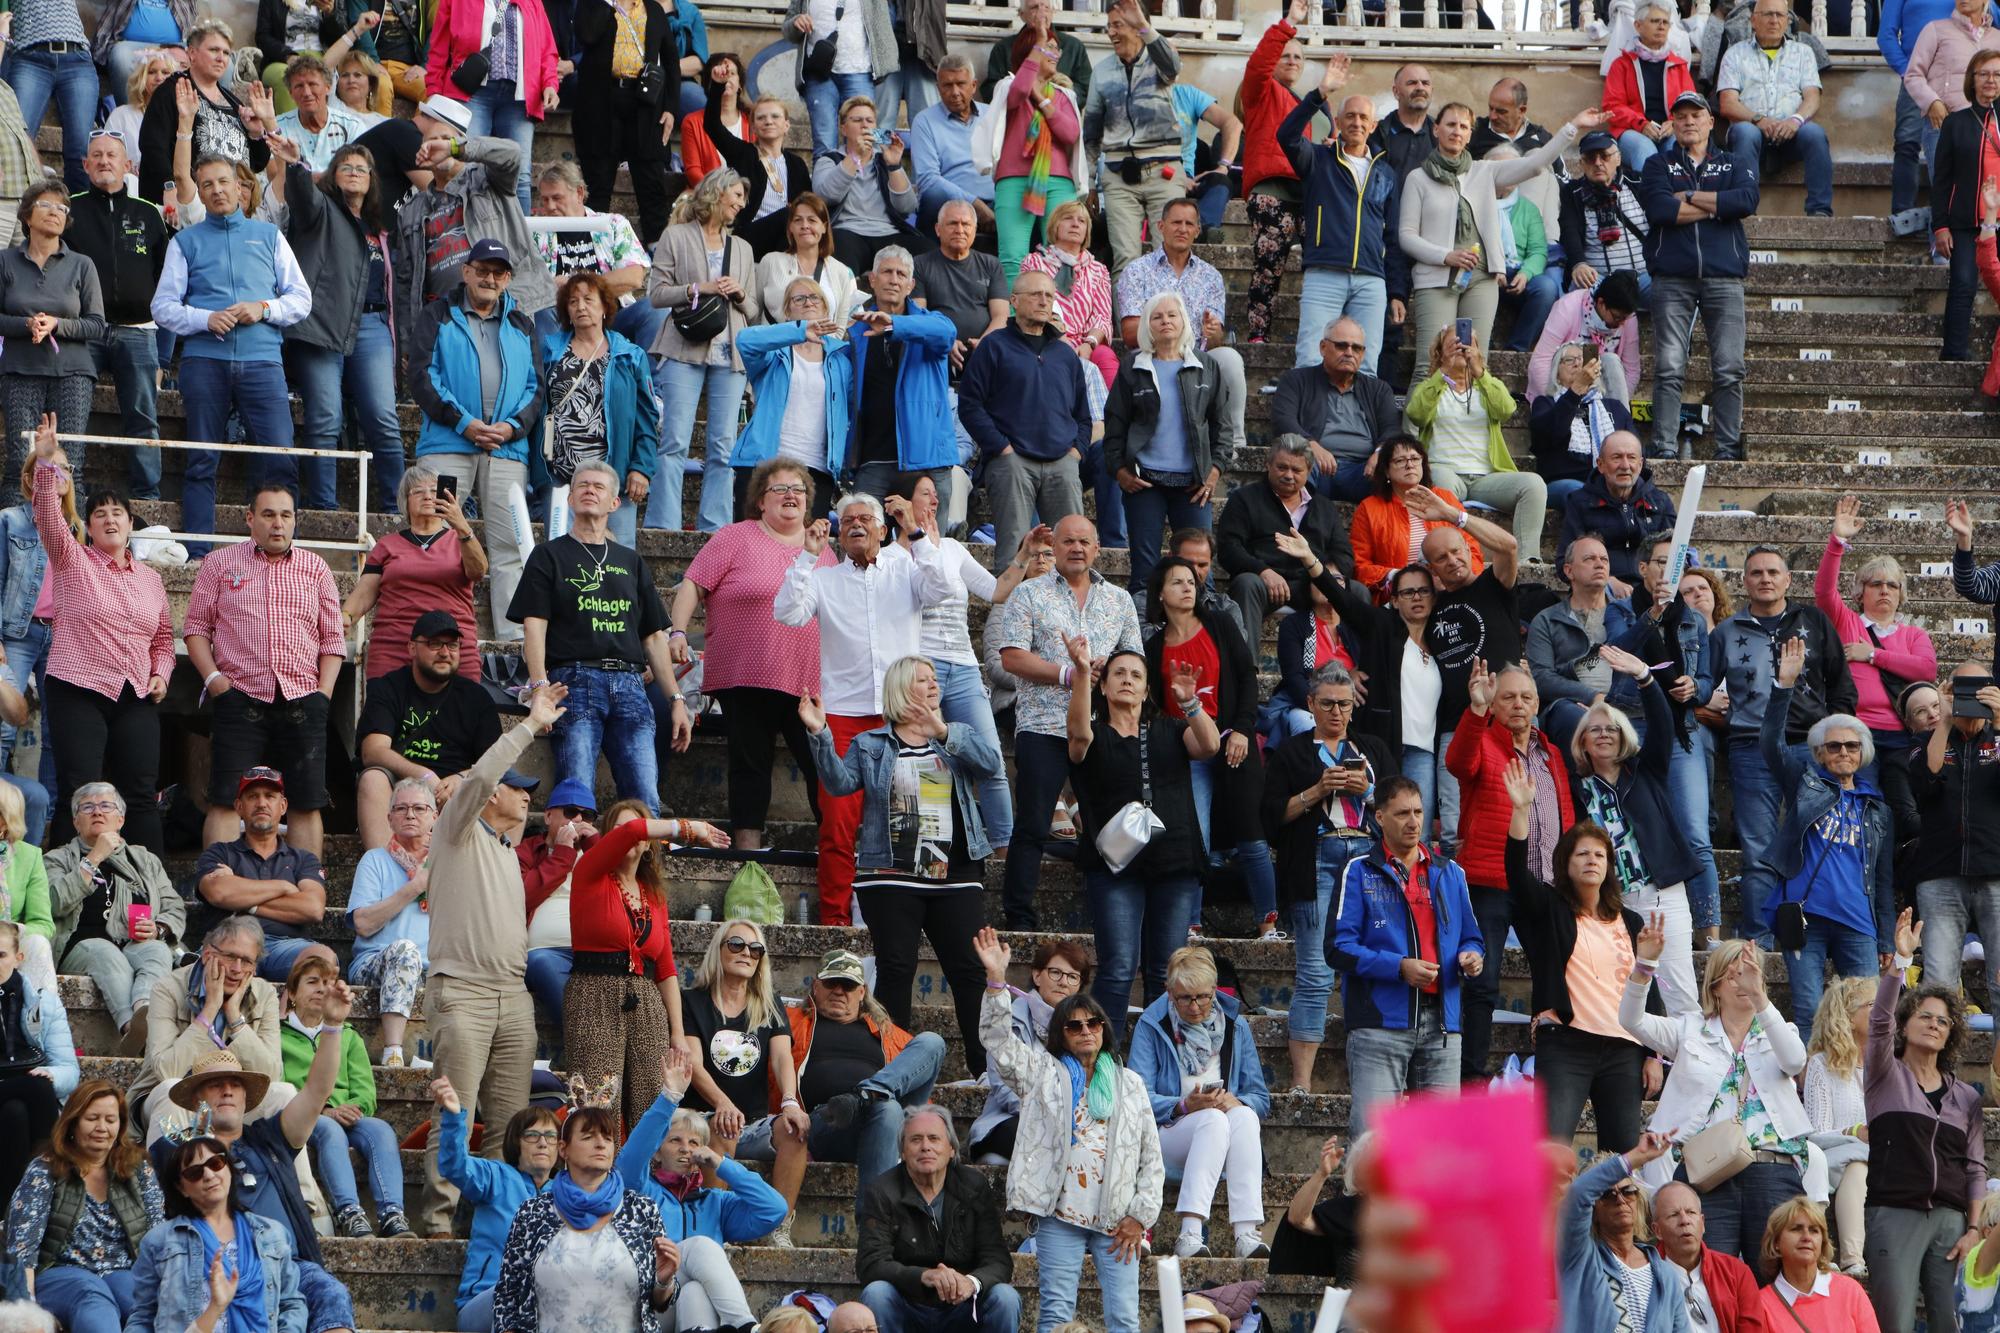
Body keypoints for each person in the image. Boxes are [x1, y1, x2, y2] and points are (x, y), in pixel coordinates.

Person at [415, 686, 569, 1236]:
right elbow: (479, 776)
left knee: (510, 1128)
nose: (526, 795)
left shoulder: (507, 853)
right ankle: (436, 1224)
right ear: (488, 797)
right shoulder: (458, 829)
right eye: (516, 788)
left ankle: (499, 1227)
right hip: (463, 990)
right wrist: (530, 725)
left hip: (513, 997)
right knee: (454, 1114)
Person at [803, 656, 999, 1067]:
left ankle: (986, 1072)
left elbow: (991, 765)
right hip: (890, 875)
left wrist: (942, 730)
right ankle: (894, 1067)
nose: (932, 685)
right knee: (896, 969)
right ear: (899, 690)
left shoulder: (956, 735)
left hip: (955, 875)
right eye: (921, 680)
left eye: (933, 680)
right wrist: (820, 732)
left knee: (968, 971)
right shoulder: (871, 743)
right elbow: (839, 784)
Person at [972, 925, 1162, 1333]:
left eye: (1092, 1023)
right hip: (1060, 1213)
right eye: (1074, 1026)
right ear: (1062, 1035)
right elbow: (998, 1041)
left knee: (1124, 1318)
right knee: (1057, 1314)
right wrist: (996, 981)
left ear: (1104, 1028)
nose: (1085, 1031)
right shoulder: (1043, 1073)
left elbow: (1151, 1157)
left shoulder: (1129, 1083)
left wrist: (1140, 1217)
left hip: (1118, 1218)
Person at [777, 494, 951, 924]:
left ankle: (915, 918)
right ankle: (835, 921)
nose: (856, 524)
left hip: (904, 717)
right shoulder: (824, 578)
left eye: (865, 519)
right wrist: (806, 556)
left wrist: (914, 529)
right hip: (842, 720)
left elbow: (943, 587)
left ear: (881, 528)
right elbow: (787, 613)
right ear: (839, 533)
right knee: (837, 827)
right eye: (847, 520)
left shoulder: (907, 567)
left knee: (918, 825)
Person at [20, 421, 168, 856]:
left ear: (129, 523)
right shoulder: (72, 558)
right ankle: (67, 893)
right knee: (80, 791)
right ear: (89, 523)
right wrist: (46, 462)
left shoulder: (151, 580)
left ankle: (152, 895)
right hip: (77, 689)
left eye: (117, 512)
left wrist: (161, 672)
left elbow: (162, 638)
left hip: (135, 692)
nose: (109, 519)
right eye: (99, 513)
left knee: (140, 794)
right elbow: (47, 516)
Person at [149, 153, 309, 552]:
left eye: (224, 182)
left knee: (278, 458)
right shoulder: (185, 241)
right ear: (199, 193)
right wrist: (205, 319)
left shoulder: (269, 235)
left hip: (263, 361)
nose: (217, 190)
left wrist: (264, 308)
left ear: (241, 187)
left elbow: (301, 299)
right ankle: (201, 552)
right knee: (202, 458)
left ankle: (278, 550)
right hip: (205, 362)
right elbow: (162, 307)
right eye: (207, 185)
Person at [669, 459, 830, 854]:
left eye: (799, 490)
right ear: (760, 500)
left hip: (806, 680)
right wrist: (676, 630)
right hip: (745, 673)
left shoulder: (824, 552)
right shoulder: (734, 537)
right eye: (780, 489)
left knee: (820, 768)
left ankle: (835, 849)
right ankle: (747, 853)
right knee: (749, 765)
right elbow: (693, 584)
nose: (791, 495)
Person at [1621, 936, 1811, 1270]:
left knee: (1772, 1277)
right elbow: (1632, 1021)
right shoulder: (1689, 1029)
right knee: (1712, 1278)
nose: (1744, 982)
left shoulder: (1779, 1027)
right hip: (1706, 1172)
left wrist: (1761, 1000)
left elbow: (1795, 1062)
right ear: (1716, 986)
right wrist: (1644, 966)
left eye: (1751, 974)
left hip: (1771, 1168)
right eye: (1734, 975)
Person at [989, 515, 1141, 930]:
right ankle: (1019, 917)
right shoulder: (1028, 594)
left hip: (1101, 727)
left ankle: (1111, 915)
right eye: (1068, 541)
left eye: (1084, 542)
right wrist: (1068, 673)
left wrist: (1107, 669)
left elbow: (1134, 660)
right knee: (1034, 823)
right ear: (1053, 547)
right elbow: (1011, 656)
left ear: (1097, 549)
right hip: (1043, 724)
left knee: (1108, 824)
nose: (1076, 548)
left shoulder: (1120, 600)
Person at [1500, 754, 1655, 1150]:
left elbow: (1648, 987)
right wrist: (1520, 811)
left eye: (1600, 854)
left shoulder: (1632, 922)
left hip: (1624, 1049)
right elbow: (1517, 876)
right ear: (1565, 864)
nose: (1592, 860)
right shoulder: (1551, 910)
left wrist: (1656, 1054)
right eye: (1582, 854)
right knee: (1550, 1153)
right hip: (1566, 1043)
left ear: (1609, 866)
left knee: (1621, 1163)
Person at [1704, 545, 1858, 940]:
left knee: (1820, 841)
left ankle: (1817, 928)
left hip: (1811, 746)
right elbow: (1704, 685)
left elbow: (1841, 684)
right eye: (1756, 573)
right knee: (1759, 848)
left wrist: (1833, 735)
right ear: (1744, 582)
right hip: (1751, 747)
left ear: (1788, 579)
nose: (1765, 579)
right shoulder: (1726, 632)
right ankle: (1760, 938)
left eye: (1773, 572)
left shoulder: (1814, 621)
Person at [1065, 644, 1217, 1033]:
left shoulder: (1169, 728)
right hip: (1115, 866)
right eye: (1119, 674)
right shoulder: (1094, 733)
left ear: (1148, 689)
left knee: (1166, 969)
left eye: (1136, 675)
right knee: (1118, 966)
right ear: (1104, 686)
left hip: (1174, 860)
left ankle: (1156, 1060)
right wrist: (1083, 671)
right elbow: (1077, 736)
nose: (1128, 680)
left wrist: (1190, 704)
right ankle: (1101, 1060)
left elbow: (1209, 746)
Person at [184, 485, 344, 853]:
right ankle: (217, 886)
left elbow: (332, 640)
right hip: (239, 697)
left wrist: (323, 695)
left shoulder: (315, 567)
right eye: (269, 515)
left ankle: (306, 892)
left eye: (286, 515)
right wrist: (215, 682)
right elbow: (195, 629)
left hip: (304, 699)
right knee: (225, 798)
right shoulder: (220, 563)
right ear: (249, 518)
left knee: (306, 800)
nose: (278, 524)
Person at [1264, 664, 1398, 1091]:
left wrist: (1370, 794)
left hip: (1368, 860)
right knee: (1316, 974)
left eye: (1344, 704)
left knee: (1376, 966)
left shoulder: (1373, 747)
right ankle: (1301, 1085)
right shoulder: (1292, 752)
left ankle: (1381, 1081)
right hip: (1315, 858)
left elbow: (1403, 814)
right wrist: (1317, 791)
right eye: (1327, 704)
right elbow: (1270, 820)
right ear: (1310, 705)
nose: (1337, 712)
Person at [1399, 103, 1600, 384]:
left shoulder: (1485, 172)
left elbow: (1535, 164)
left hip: (1481, 278)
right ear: (1436, 129)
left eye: (1463, 126)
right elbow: (1406, 236)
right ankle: (1414, 429)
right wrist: (1446, 256)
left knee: (1474, 364)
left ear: (1470, 135)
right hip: (1437, 278)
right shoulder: (1418, 179)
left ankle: (1472, 428)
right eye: (1450, 124)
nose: (1457, 131)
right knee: (1430, 365)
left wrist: (1573, 127)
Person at [406, 238, 543, 641]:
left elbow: (536, 389)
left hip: (506, 452)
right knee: (433, 535)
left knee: (509, 547)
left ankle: (513, 644)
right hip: (448, 447)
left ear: (508, 279)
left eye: (498, 272)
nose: (489, 278)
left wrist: (512, 427)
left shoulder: (523, 323)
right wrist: (463, 422)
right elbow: (421, 377)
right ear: (465, 272)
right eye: (481, 269)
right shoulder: (437, 315)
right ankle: (432, 634)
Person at [1448, 661, 1575, 1083]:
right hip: (1491, 882)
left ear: (1538, 702)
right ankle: (1471, 1074)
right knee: (1483, 981)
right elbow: (1457, 762)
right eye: (1507, 697)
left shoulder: (1552, 751)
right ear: (1495, 703)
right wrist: (1475, 709)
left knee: (1552, 980)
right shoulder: (1481, 741)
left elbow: (1564, 815)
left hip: (1544, 882)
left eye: (1525, 697)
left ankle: (1550, 1066)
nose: (1518, 704)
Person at [563, 804, 725, 1132]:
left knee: (652, 1100)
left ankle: (645, 1182)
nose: (634, 833)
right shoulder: (590, 872)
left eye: (641, 828)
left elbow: (665, 968)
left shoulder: (653, 895)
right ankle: (596, 1182)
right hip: (594, 994)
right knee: (596, 1102)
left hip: (646, 999)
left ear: (649, 846)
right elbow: (631, 832)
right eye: (624, 829)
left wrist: (677, 1033)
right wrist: (688, 827)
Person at [262, 133, 403, 508]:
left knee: (384, 422)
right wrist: (295, 165)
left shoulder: (381, 229)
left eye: (362, 169)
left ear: (372, 180)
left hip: (373, 328)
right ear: (333, 175)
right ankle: (324, 506)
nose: (355, 173)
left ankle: (395, 507)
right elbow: (302, 197)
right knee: (326, 418)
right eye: (346, 167)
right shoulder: (320, 209)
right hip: (322, 325)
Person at [1762, 640, 1895, 1038]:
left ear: (1862, 753)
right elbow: (1770, 745)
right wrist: (1783, 687)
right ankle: (1806, 1097)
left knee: (1867, 1020)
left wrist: (1885, 935)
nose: (1842, 751)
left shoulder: (1878, 809)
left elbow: (1884, 880)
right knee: (1808, 1012)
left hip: (1859, 923)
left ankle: (1862, 1097)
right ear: (1819, 755)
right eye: (1832, 746)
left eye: (1851, 745)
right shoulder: (1804, 785)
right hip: (1806, 917)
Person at [1867, 910, 1986, 1332]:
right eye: (1925, 1016)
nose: (1934, 1024)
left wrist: (1973, 1228)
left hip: (1951, 1222)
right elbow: (1878, 1022)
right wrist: (1900, 965)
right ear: (1906, 1025)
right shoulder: (1884, 1075)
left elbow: (1975, 1168)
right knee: (1894, 1324)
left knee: (1948, 1325)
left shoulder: (1966, 1097)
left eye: (1943, 1020)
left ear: (1951, 1033)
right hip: (1893, 1213)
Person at [1567, 656, 1703, 1016]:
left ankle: (1686, 1071)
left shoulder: (1646, 771)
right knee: (1625, 996)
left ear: (1624, 735)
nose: (1604, 734)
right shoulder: (1576, 789)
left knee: (1680, 995)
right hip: (1611, 903)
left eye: (1611, 728)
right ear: (1582, 742)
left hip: (1661, 896)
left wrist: (1645, 676)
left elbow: (1662, 724)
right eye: (1594, 729)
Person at [1144, 556, 1272, 933]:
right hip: (1188, 753)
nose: (1188, 587)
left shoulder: (1219, 623)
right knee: (1193, 836)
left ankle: (1268, 923)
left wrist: (1246, 730)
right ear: (1161, 594)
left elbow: (1248, 680)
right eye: (1178, 582)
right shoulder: (1153, 648)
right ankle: (1192, 923)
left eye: (1191, 581)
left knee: (1251, 836)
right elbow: (1153, 710)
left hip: (1234, 740)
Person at [1125, 945, 1272, 1261]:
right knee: (1212, 1120)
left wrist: (1236, 1101)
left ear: (1215, 990)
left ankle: (1247, 1233)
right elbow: (1135, 1096)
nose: (1195, 1006)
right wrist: (1183, 1106)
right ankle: (1190, 1234)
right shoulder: (1152, 1025)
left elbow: (1260, 1099)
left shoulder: (1236, 1026)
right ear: (1169, 991)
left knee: (1244, 1117)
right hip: (1165, 1136)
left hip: (1220, 1144)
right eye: (1184, 998)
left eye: (1204, 997)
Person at [776, 948, 948, 1215]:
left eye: (848, 985)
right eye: (832, 983)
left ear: (862, 992)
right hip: (824, 1122)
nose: (839, 991)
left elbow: (919, 1088)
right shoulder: (791, 1021)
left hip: (884, 1126)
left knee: (933, 1042)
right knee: (887, 1107)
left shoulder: (889, 1034)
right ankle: (876, 1228)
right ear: (816, 987)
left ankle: (866, 1095)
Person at [616, 1052, 781, 1322]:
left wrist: (721, 1164)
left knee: (694, 1291)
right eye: (675, 1141)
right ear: (657, 1153)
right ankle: (743, 1324)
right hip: (649, 1306)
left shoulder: (715, 1202)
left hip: (688, 1305)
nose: (685, 1149)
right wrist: (669, 1097)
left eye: (694, 1143)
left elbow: (774, 1209)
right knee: (701, 1246)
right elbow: (630, 1161)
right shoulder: (642, 1191)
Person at [489, 1105, 682, 1333]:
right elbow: (507, 1293)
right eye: (588, 1136)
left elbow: (660, 1304)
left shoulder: (642, 1209)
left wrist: (664, 1281)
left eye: (608, 1138)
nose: (601, 1144)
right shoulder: (533, 1212)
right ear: (563, 1149)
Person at [1638, 92, 1757, 461]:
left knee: (1729, 368)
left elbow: (1746, 201)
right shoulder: (1657, 164)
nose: (1689, 121)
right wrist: (1716, 206)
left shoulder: (1734, 161)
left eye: (1696, 115)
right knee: (1669, 366)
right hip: (1672, 276)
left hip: (1724, 276)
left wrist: (1689, 196)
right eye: (1681, 116)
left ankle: (1727, 447)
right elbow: (1660, 210)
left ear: (1710, 122)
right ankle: (1663, 447)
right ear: (1672, 123)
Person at [676, 921, 810, 1241]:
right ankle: (709, 1227)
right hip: (702, 1117)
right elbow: (692, 1062)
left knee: (796, 1131)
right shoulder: (691, 1001)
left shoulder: (769, 1003)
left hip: (753, 1122)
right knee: (724, 1123)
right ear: (718, 950)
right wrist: (722, 1103)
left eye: (755, 949)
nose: (746, 953)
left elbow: (781, 1058)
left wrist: (790, 1102)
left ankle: (778, 1227)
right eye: (736, 944)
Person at [646, 168, 762, 535]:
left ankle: (714, 526)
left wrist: (740, 294)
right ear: (716, 194)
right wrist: (701, 287)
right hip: (684, 348)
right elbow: (656, 294)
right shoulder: (676, 236)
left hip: (730, 355)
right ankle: (663, 524)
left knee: (724, 447)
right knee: (675, 440)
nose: (741, 205)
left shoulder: (742, 247)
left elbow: (754, 309)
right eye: (737, 196)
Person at [391, 97, 556, 348]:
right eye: (431, 143)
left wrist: (456, 148)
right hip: (449, 322)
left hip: (513, 307)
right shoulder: (411, 211)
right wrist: (407, 342)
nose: (439, 146)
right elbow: (405, 284)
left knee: (534, 383)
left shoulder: (488, 179)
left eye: (446, 139)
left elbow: (511, 153)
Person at [960, 269, 1094, 571]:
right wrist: (1001, 448)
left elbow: (1083, 415)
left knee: (1072, 552)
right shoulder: (994, 346)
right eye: (1035, 294)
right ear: (1014, 301)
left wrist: (1076, 452)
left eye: (1049, 295)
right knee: (1015, 552)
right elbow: (970, 405)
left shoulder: (1065, 354)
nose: (1043, 301)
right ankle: (1010, 616)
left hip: (1062, 461)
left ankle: (1071, 616)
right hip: (1012, 461)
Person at [4, 1081, 164, 1333]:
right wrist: (27, 1308)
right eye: (92, 1118)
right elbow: (22, 1250)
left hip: (122, 1270)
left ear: (120, 1126)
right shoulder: (44, 1169)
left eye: (110, 1120)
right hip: (59, 1273)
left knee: (142, 1302)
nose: (102, 1127)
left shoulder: (138, 1169)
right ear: (73, 1122)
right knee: (92, 1296)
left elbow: (157, 1235)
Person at [65, 130, 167, 501]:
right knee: (72, 415)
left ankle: (147, 495)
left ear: (129, 165)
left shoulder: (149, 213)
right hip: (83, 330)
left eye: (112, 155)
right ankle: (66, 491)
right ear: (85, 165)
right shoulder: (70, 210)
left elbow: (165, 281)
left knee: (143, 418)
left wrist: (165, 353)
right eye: (97, 155)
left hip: (139, 331)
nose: (104, 161)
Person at [278, 951, 408, 1240]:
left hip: (349, 1116)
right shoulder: (277, 1036)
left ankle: (392, 1215)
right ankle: (350, 1214)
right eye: (312, 982)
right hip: (307, 1117)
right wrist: (324, 1111)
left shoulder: (348, 1035)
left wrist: (351, 1108)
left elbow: (365, 1091)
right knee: (329, 1130)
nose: (322, 989)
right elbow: (280, 1086)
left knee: (381, 1129)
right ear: (291, 993)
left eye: (328, 982)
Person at [1104, 293, 1226, 599]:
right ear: (1147, 324)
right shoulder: (1133, 365)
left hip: (1193, 483)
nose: (1165, 321)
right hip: (1144, 481)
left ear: (1184, 320)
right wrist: (1119, 470)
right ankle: (1141, 640)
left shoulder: (1206, 365)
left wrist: (1213, 473)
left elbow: (1223, 427)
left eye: (1172, 315)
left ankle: (1202, 639)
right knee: (1144, 573)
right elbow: (1115, 423)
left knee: (1198, 571)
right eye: (1157, 317)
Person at [856, 1104, 1018, 1333]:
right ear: (902, 1150)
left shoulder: (973, 1186)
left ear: (951, 1149)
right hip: (908, 1304)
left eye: (934, 1139)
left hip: (963, 1306)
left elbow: (998, 1259)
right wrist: (925, 1276)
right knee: (877, 1293)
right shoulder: (882, 1191)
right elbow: (870, 1264)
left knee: (1006, 1297)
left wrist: (970, 1282)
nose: (925, 1147)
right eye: (915, 1140)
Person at [42, 785, 178, 1050]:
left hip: (135, 943)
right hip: (81, 946)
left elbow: (173, 906)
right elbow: (54, 902)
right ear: (75, 821)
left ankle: (145, 1013)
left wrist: (158, 928)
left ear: (121, 820)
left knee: (158, 952)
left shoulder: (145, 860)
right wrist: (94, 857)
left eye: (106, 806)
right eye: (87, 807)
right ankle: (131, 1031)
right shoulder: (57, 859)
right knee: (105, 952)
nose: (97, 812)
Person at [127, 1135, 309, 1333]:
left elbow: (291, 1303)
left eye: (215, 1163)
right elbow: (143, 1316)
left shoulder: (272, 1234)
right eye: (195, 1172)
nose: (208, 1175)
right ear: (181, 1188)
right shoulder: (159, 1241)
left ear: (229, 1169)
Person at [1112, 200, 1247, 464]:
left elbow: (1216, 338)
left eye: (1189, 224)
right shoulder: (1136, 271)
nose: (1182, 229)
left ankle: (1234, 443)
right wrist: (1168, 337)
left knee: (1230, 359)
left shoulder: (1211, 276)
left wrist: (1213, 331)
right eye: (1176, 222)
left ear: (1198, 230)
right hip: (1153, 354)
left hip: (1197, 357)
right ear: (1161, 226)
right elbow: (1129, 333)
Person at [352, 611, 500, 846]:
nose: (444, 652)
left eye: (452, 645)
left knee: (508, 790)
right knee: (372, 779)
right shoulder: (388, 688)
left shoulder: (476, 698)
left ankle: (498, 878)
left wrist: (462, 778)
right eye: (434, 643)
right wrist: (425, 776)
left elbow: (497, 761)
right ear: (412, 647)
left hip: (457, 790)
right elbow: (373, 751)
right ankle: (385, 873)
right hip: (401, 785)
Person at [1404, 324, 1546, 562]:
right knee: (1440, 482)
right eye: (1454, 343)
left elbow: (1506, 409)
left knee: (1534, 484)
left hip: (1486, 478)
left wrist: (1481, 373)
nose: (1462, 348)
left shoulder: (1487, 386)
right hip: (1445, 469)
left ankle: (1527, 561)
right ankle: (1453, 556)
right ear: (1440, 352)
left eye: (1469, 343)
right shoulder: (1430, 387)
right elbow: (1416, 413)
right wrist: (1443, 373)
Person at [128, 920, 284, 1134]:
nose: (237, 969)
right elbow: (167, 1071)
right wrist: (210, 1009)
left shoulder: (264, 994)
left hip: (232, 1101)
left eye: (247, 961)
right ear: (208, 954)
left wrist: (235, 1017)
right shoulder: (168, 988)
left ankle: (284, 1169)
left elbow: (272, 1074)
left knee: (283, 1094)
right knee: (170, 1090)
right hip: (169, 1098)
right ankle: (175, 1166)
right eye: (230, 957)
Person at [539, 271, 660, 545]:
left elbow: (647, 418)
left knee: (619, 563)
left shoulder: (629, 355)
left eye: (588, 299)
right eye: (573, 301)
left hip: (613, 475)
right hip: (560, 477)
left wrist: (641, 467)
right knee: (562, 561)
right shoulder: (549, 351)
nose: (581, 306)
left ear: (605, 306)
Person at [0, 181, 103, 503]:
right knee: (20, 461)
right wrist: (25, 324)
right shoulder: (5, 261)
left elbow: (97, 325)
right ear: (27, 215)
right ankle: (14, 544)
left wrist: (58, 324)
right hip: (19, 371)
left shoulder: (82, 264)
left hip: (73, 374)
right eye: (47, 205)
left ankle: (72, 545)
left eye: (62, 208)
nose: (56, 212)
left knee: (69, 464)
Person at [431, 1078, 559, 1331]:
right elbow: (454, 1165)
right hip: (484, 1303)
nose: (543, 1142)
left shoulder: (567, 1193)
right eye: (532, 1135)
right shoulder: (495, 1177)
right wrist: (454, 1116)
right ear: (516, 1143)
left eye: (551, 1136)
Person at [1818, 495, 1939, 759]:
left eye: (1892, 585)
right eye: (1875, 584)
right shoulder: (1846, 620)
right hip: (1855, 732)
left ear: (1900, 595)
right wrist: (1837, 541)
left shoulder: (1913, 634)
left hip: (1902, 734)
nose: (1885, 590)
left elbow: (1927, 669)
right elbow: (1824, 592)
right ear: (1860, 593)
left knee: (1903, 801)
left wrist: (1872, 654)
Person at [344, 471, 487, 685]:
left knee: (456, 717)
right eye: (418, 491)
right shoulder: (387, 545)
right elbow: (365, 592)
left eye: (434, 491)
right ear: (405, 502)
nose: (428, 496)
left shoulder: (461, 540)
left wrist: (461, 525)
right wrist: (345, 616)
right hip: (394, 647)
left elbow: (478, 572)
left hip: (452, 649)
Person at [844, 247, 960, 509]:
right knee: (869, 546)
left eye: (901, 274)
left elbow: (947, 333)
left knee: (929, 547)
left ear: (911, 285)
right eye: (886, 272)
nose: (893, 279)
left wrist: (893, 325)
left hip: (927, 460)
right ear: (872, 280)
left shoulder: (930, 324)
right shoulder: (855, 330)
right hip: (872, 459)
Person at [190, 769, 331, 984]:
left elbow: (313, 908)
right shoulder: (219, 852)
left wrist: (244, 901)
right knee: (210, 961)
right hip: (229, 943)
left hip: (284, 946)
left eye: (270, 796)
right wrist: (284, 886)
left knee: (323, 959)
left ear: (282, 806)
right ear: (239, 807)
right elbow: (219, 893)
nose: (262, 803)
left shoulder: (304, 859)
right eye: (253, 796)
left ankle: (287, 1018)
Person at [1910, 663, 2000, 996]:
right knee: (1938, 986)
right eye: (1962, 688)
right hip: (1941, 874)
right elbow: (1924, 782)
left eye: (1980, 687)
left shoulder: (1998, 737)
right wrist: (1945, 720)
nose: (1971, 696)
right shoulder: (1927, 739)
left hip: (1996, 873)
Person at [423, 0, 556, 212]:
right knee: (466, 168)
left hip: (518, 98)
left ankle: (520, 241)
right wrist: (434, 94)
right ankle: (464, 239)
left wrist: (550, 84)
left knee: (520, 175)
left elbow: (546, 49)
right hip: (471, 93)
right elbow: (438, 49)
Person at [1080, 0, 1180, 281]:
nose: (1111, 32)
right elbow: (1092, 133)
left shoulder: (1159, 56)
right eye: (1109, 26)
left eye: (1118, 25)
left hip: (1165, 170)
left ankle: (1170, 325)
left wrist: (1146, 27)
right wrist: (1089, 182)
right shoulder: (1101, 71)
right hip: (1118, 174)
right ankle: (1130, 326)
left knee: (1170, 255)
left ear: (1137, 27)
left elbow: (1173, 68)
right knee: (1125, 260)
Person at [1213, 437, 1357, 632]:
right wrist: (1262, 571)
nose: (1289, 475)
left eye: (1297, 470)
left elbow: (1344, 553)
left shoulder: (1323, 506)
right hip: (1265, 583)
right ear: (1268, 465)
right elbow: (1229, 548)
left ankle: (1356, 661)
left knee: (1358, 591)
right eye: (1282, 467)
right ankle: (1245, 663)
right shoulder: (1244, 499)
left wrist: (1324, 575)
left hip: (1312, 582)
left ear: (1308, 471)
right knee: (1246, 584)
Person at [967, 939, 1088, 1161]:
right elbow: (1004, 1089)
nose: (1063, 982)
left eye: (1072, 977)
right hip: (1010, 1120)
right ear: (1036, 975)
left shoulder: (1086, 1029)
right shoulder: (1009, 1019)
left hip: (1067, 1124)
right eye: (1055, 973)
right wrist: (1048, 1114)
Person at [1559, 1134, 1692, 1333]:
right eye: (1608, 1194)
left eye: (1628, 1190)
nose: (1620, 1200)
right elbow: (1578, 1194)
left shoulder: (1665, 1274)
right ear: (1594, 1210)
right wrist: (1635, 1158)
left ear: (1638, 1199)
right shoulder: (1581, 1258)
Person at [343, 778, 434, 1070]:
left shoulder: (446, 864)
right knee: (406, 951)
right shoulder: (375, 860)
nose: (410, 814)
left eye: (419, 808)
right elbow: (363, 924)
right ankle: (393, 1050)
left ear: (435, 816)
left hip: (432, 970)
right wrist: (414, 887)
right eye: (402, 808)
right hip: (375, 962)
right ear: (389, 818)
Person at [1240, 2, 1312, 347]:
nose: (1292, 61)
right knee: (1268, 266)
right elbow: (1259, 63)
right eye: (1286, 55)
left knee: (1322, 266)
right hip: (1271, 192)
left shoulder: (1310, 106)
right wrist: (1289, 24)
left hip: (1308, 196)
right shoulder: (1261, 91)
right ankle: (1257, 336)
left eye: (1298, 57)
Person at [569, 0, 672, 244]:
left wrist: (671, 109)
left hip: (645, 104)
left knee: (651, 185)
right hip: (600, 103)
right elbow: (588, 34)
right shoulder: (593, 5)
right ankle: (596, 249)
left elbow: (671, 61)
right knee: (598, 185)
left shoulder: (654, 10)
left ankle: (657, 251)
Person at [1717, 0, 1832, 218]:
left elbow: (1812, 97)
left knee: (1815, 133)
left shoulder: (1803, 53)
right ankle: (1746, 210)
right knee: (1745, 132)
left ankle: (1820, 211)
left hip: (1791, 133)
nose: (1774, 20)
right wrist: (1758, 119)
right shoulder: (1735, 54)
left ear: (1787, 21)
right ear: (1753, 20)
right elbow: (1727, 103)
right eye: (1768, 14)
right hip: (1751, 133)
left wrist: (1795, 120)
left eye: (1780, 15)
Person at [136, 21, 269, 205]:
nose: (221, 58)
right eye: (214, 50)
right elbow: (152, 146)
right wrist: (169, 187)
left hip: (237, 208)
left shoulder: (233, 102)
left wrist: (256, 134)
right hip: (190, 207)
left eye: (226, 53)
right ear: (192, 53)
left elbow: (259, 163)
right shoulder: (172, 91)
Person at [1269, 318, 1400, 505]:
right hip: (1314, 466)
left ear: (1363, 354)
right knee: (1295, 463)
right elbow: (1283, 420)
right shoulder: (1296, 380)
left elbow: (1392, 430)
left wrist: (1380, 453)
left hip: (1362, 471)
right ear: (1323, 347)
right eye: (1341, 346)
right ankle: (1297, 526)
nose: (1349, 353)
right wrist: (1311, 446)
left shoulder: (1379, 389)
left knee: (1397, 470)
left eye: (1356, 348)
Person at [983, 38, 1081, 282]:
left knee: (1062, 254)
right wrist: (1037, 38)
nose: (1055, 54)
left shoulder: (1064, 95)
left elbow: (1070, 134)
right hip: (1014, 178)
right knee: (1013, 257)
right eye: (1047, 47)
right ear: (1029, 52)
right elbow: (1019, 91)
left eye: (1056, 48)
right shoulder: (1007, 87)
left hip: (1058, 180)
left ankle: (1061, 319)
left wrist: (1042, 99)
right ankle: (1015, 317)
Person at [1348, 436, 1485, 599]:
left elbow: (1473, 551)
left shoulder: (1445, 498)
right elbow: (1359, 566)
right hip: (1401, 596)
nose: (1409, 465)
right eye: (1400, 461)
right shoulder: (1369, 508)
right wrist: (1400, 576)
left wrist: (1454, 578)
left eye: (1414, 458)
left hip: (1452, 590)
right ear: (1386, 470)